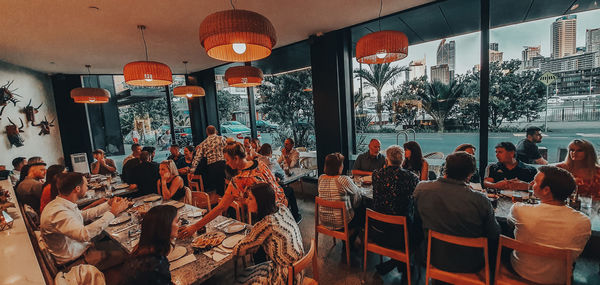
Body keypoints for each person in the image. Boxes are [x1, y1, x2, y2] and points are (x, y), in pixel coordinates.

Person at [414, 152, 500, 273]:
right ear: (470, 174)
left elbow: (417, 220)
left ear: (445, 169)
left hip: (432, 257)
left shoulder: (421, 188)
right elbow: (494, 234)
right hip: (471, 264)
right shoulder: (480, 200)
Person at [180, 142, 287, 238]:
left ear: (236, 158)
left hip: (266, 220)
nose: (226, 163)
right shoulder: (261, 164)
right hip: (283, 210)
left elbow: (220, 207)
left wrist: (195, 226)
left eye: (227, 160)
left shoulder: (239, 180)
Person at [508, 166, 591, 284]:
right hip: (558, 279)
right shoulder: (584, 221)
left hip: (521, 271)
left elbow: (509, 223)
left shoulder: (519, 210)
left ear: (546, 190)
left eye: (536, 181)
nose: (532, 184)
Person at [40, 172, 129, 269]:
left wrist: (108, 205)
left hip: (82, 249)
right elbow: (84, 235)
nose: (88, 187)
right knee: (128, 254)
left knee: (118, 244)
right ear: (77, 189)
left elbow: (82, 215)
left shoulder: (59, 204)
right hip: (77, 261)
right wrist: (113, 213)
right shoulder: (58, 212)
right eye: (86, 185)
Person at [233, 183, 304, 285]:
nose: (246, 201)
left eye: (250, 198)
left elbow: (238, 250)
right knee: (250, 270)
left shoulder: (266, 224)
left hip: (285, 278)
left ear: (261, 201)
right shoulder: (282, 208)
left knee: (239, 279)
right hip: (298, 269)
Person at [371, 145, 420, 275]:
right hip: (401, 234)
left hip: (377, 230)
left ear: (387, 159)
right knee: (420, 227)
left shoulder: (376, 175)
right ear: (403, 161)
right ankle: (401, 262)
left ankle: (394, 263)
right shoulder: (412, 178)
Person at [120, 205, 178, 285]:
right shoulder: (156, 264)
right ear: (165, 227)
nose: (180, 224)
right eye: (177, 221)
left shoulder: (139, 250)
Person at [317, 153, 363, 246]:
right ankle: (352, 240)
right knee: (361, 210)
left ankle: (349, 239)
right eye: (341, 164)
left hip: (324, 221)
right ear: (339, 167)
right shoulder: (343, 180)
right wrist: (354, 205)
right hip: (342, 224)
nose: (343, 166)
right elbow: (358, 195)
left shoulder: (321, 178)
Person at [257, 143, 302, 222]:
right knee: (290, 190)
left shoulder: (256, 161)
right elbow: (283, 175)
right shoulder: (272, 161)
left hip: (259, 193)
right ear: (270, 151)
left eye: (287, 144)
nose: (285, 146)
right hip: (271, 193)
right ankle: (295, 216)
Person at [191, 125, 227, 195]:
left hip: (212, 166)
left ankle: (220, 199)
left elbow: (197, 157)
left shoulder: (203, 143)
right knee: (226, 184)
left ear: (207, 132)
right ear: (215, 131)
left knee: (218, 187)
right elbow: (228, 148)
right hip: (223, 164)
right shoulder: (221, 138)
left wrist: (192, 170)